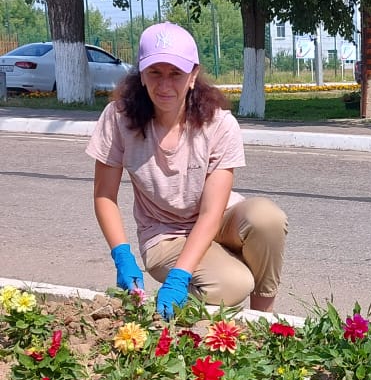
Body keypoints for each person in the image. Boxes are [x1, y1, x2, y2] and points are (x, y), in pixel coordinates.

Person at [87, 22, 288, 320]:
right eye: (155, 72)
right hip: (164, 235)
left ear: (193, 75)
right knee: (234, 284)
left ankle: (263, 322)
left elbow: (210, 214)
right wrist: (122, 255)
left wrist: (181, 275)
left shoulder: (218, 124)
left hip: (216, 220)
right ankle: (179, 305)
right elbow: (104, 195)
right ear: (141, 74)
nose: (165, 85)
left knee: (267, 219)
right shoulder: (119, 119)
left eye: (176, 74)